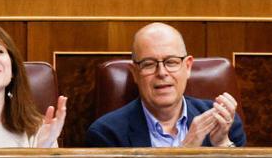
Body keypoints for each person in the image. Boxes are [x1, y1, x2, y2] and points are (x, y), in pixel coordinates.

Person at [86, 22, 245, 148]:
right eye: (149, 64)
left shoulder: (223, 122)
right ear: (135, 73)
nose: (162, 72)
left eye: (171, 62)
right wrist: (187, 150)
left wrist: (222, 145)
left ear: (187, 67)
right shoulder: (107, 134)